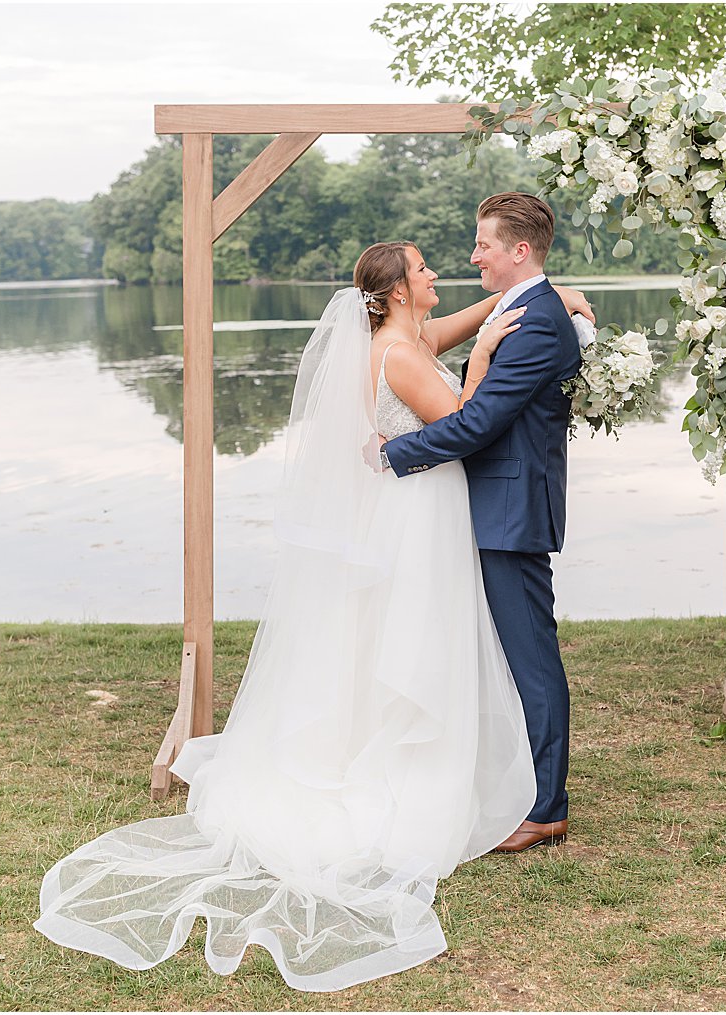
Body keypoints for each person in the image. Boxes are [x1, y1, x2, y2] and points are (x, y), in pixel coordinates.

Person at [34, 239, 593, 991]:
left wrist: (543, 301)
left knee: (418, 636)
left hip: (423, 505)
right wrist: (490, 350)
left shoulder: (412, 335)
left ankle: (451, 750)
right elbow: (465, 414)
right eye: (424, 268)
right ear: (397, 291)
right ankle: (419, 758)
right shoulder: (397, 353)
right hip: (420, 508)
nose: (438, 274)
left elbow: (474, 315)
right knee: (418, 635)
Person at [381, 193, 582, 853]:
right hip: (496, 507)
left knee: (531, 657)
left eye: (483, 245)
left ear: (518, 251)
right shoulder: (520, 309)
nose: (473, 257)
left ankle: (546, 806)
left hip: (511, 512)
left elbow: (475, 424)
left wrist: (392, 454)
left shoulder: (535, 322)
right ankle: (515, 781)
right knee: (511, 654)